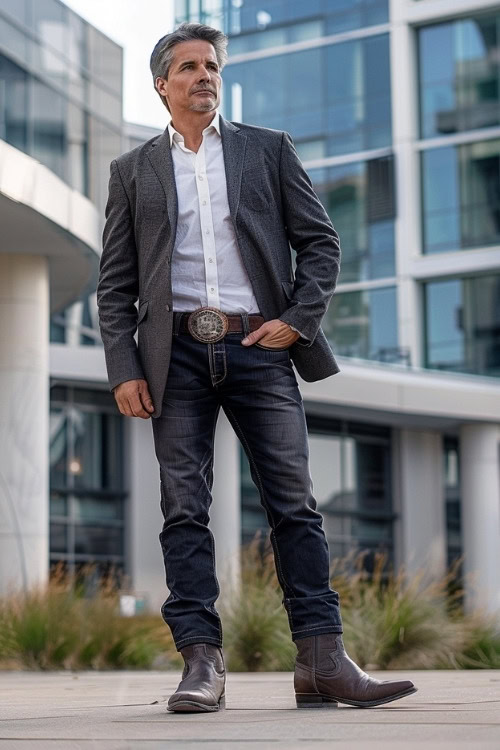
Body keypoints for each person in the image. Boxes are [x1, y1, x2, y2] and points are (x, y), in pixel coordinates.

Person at [97, 22, 417, 713]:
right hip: (173, 355)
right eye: (187, 67)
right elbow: (115, 283)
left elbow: (320, 244)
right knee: (184, 508)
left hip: (258, 349)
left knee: (294, 505)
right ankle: (201, 662)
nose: (203, 75)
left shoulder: (266, 150)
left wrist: (297, 321)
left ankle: (322, 659)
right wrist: (124, 365)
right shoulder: (132, 172)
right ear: (162, 85)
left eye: (211, 64)